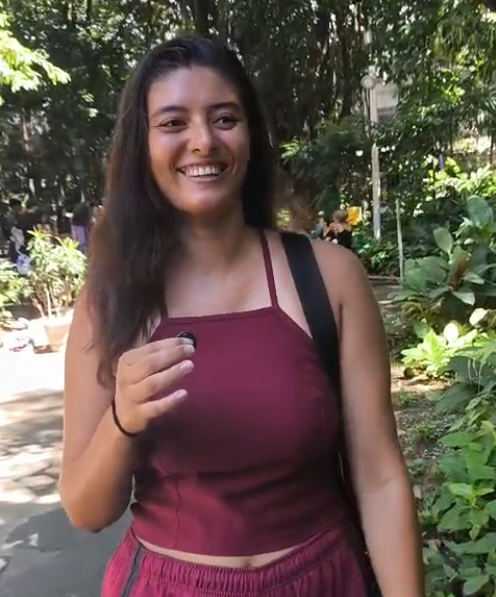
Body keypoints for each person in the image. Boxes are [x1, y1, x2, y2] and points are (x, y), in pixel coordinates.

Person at [59, 36, 424, 597]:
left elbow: (380, 478)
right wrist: (122, 418)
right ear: (142, 146)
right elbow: (86, 510)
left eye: (224, 118)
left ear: (251, 136)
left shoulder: (329, 277)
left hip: (325, 580)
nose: (203, 141)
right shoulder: (109, 300)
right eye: (173, 122)